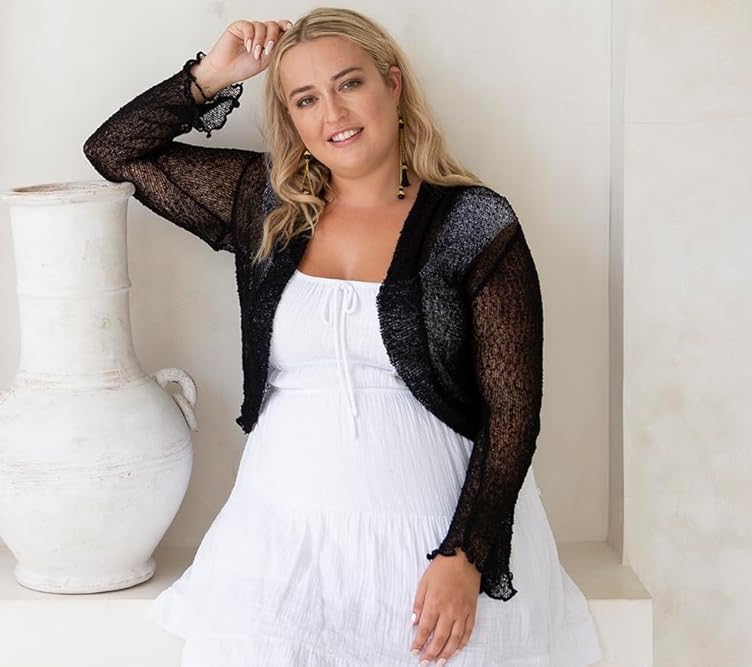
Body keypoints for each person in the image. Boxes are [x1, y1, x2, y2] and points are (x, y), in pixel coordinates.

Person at [83, 8, 603, 666]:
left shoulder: (472, 221)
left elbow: (512, 408)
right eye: (305, 98)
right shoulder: (264, 204)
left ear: (393, 85)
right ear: (292, 118)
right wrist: (212, 75)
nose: (333, 113)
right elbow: (115, 152)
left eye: (349, 83)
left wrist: (466, 554)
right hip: (282, 529)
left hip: (436, 531)